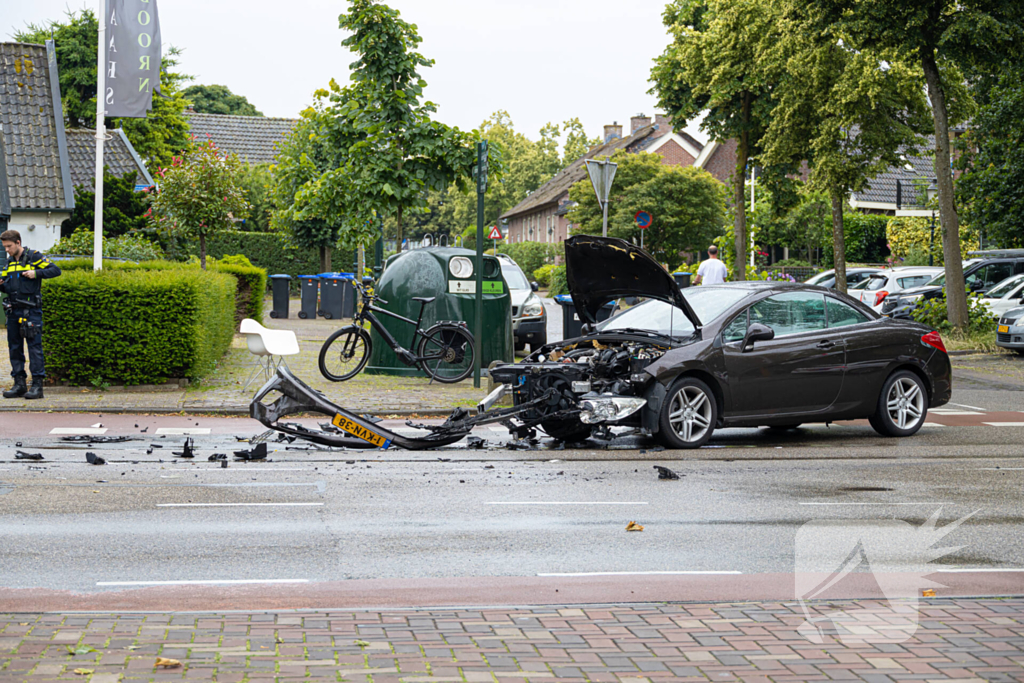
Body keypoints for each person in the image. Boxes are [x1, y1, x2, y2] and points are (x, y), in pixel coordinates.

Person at [1, 230, 61, 399]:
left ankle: (37, 386)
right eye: (4, 247)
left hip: (31, 310)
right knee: (14, 348)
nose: (7, 250)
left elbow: (55, 270)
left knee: (34, 348)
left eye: (9, 246)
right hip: (13, 309)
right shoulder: (9, 262)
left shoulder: (33, 257)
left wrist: (37, 273)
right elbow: (7, 285)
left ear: (18, 242)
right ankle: (19, 384)